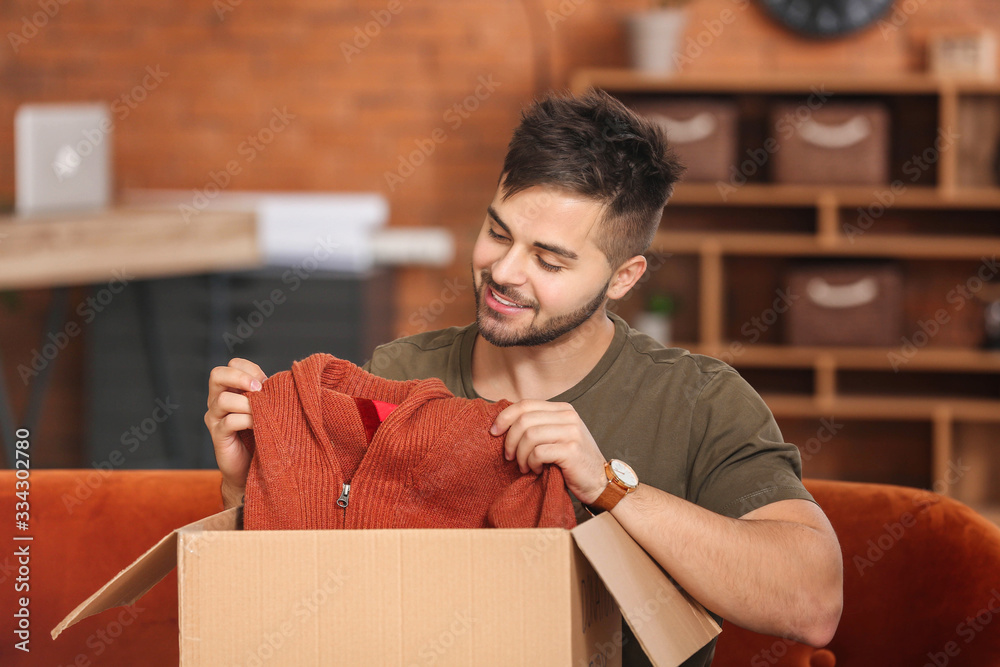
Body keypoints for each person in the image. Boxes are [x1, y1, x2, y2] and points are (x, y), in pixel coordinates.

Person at [205, 89, 843, 666]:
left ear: (623, 277)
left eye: (550, 260)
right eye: (496, 232)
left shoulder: (697, 401)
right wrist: (246, 482)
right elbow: (311, 604)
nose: (505, 271)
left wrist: (609, 487)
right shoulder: (398, 375)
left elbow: (812, 603)